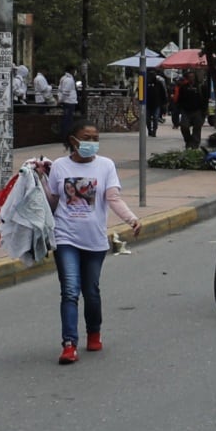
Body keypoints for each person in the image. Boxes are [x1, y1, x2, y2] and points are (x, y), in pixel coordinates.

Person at [43, 124, 143, 365]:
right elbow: (54, 201)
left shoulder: (106, 165)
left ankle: (94, 332)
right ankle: (69, 344)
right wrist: (39, 182)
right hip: (65, 236)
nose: (92, 142)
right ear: (73, 140)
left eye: (96, 138)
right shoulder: (59, 166)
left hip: (95, 240)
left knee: (91, 291)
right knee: (69, 290)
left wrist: (131, 219)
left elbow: (113, 198)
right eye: (86, 138)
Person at [173, 73, 210, 151]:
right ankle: (188, 140)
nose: (191, 79)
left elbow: (205, 99)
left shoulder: (201, 87)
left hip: (198, 111)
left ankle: (195, 144)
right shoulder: (183, 87)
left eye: (192, 77)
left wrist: (204, 110)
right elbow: (180, 99)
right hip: (186, 111)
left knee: (197, 128)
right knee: (184, 126)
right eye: (189, 77)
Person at [55, 70, 78, 138]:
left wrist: (60, 99)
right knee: (68, 119)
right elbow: (65, 92)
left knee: (66, 118)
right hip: (69, 101)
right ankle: (66, 135)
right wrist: (61, 100)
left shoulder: (63, 78)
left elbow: (60, 90)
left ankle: (65, 135)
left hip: (67, 101)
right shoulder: (69, 80)